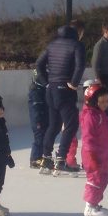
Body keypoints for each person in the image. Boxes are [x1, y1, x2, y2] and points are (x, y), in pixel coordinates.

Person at [35, 20, 86, 177]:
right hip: (65, 89)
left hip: (51, 89)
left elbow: (38, 64)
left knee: (54, 125)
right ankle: (61, 160)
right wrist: (74, 83)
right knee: (71, 124)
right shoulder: (76, 45)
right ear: (77, 33)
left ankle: (46, 159)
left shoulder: (52, 45)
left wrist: (46, 83)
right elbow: (80, 65)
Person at [79, 81, 108, 216]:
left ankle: (95, 204)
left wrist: (105, 152)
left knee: (104, 178)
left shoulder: (100, 114)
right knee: (95, 179)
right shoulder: (90, 116)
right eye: (102, 101)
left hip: (101, 153)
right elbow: (88, 139)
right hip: (92, 154)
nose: (105, 104)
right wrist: (93, 155)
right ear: (93, 101)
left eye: (107, 101)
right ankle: (89, 208)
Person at [28, 70, 49, 168]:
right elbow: (35, 107)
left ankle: (42, 157)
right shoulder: (35, 90)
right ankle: (35, 159)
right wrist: (38, 120)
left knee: (44, 137)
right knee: (39, 138)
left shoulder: (42, 88)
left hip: (43, 116)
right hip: (38, 118)